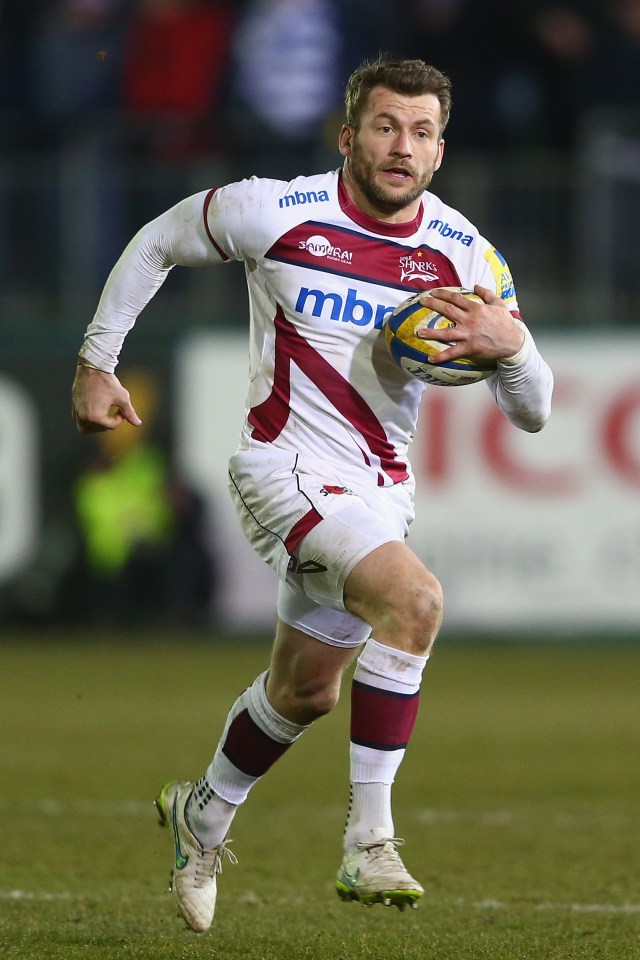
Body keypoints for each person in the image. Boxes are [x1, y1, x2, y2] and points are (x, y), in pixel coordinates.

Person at [71, 56, 554, 933]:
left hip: (379, 491)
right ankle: (371, 839)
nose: (401, 147)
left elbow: (534, 414)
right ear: (348, 135)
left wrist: (509, 346)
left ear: (440, 151)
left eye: (421, 132)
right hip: (282, 468)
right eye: (384, 126)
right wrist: (98, 359)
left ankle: (203, 814)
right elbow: (159, 238)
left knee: (305, 693)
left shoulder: (466, 255)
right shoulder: (277, 210)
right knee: (416, 601)